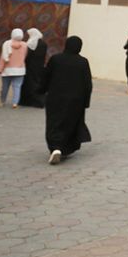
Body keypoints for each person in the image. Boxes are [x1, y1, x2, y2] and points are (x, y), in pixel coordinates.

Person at [42, 35, 93, 165]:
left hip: (55, 98)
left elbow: (46, 77)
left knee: (54, 122)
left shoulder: (56, 59)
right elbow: (88, 84)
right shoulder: (83, 62)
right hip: (76, 101)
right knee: (70, 124)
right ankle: (63, 148)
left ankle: (55, 147)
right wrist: (86, 102)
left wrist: (41, 91)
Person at [0, 28, 27, 108]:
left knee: (5, 87)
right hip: (20, 70)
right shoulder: (24, 45)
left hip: (7, 70)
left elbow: (3, 58)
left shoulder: (7, 44)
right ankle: (15, 103)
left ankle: (2, 101)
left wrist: (0, 69)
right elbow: (24, 56)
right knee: (17, 87)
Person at [18, 27, 47, 107]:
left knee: (28, 84)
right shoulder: (44, 44)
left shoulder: (31, 43)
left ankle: (27, 101)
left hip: (30, 67)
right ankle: (39, 101)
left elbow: (27, 55)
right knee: (36, 83)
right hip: (39, 67)